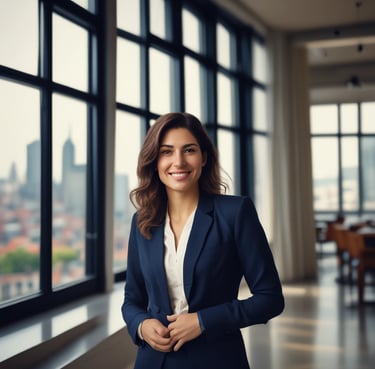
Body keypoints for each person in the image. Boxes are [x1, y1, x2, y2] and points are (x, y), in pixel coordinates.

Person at [122, 112, 284, 369]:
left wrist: (203, 321)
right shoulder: (143, 221)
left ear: (204, 158)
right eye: (166, 152)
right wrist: (141, 325)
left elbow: (270, 298)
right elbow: (132, 299)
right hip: (153, 361)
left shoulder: (235, 213)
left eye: (189, 150)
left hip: (216, 358)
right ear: (154, 161)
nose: (178, 161)